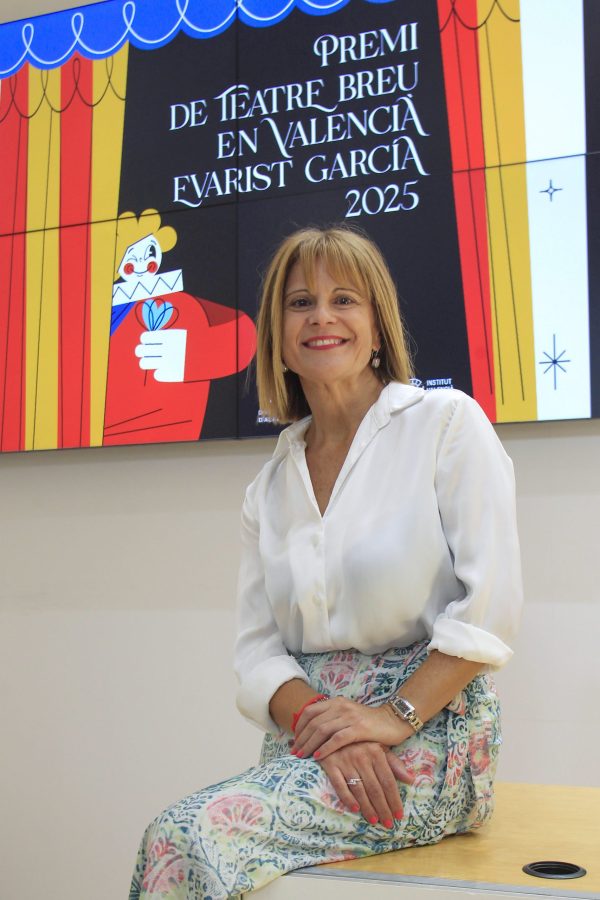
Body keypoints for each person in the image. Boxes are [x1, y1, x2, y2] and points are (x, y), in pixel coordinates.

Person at [129, 225, 523, 899]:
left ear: (378, 326)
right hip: (309, 741)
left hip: (426, 740)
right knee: (188, 838)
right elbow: (257, 653)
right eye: (299, 303)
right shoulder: (270, 484)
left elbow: (488, 611)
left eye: (344, 299)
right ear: (277, 335)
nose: (321, 317)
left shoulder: (446, 424)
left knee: (184, 834)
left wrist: (390, 716)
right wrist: (334, 728)